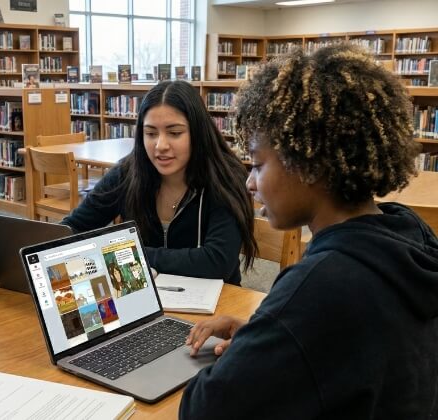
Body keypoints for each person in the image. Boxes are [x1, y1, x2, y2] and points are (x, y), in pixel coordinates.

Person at [181, 44, 438, 419]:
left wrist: (258, 346)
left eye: (256, 164)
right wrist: (265, 335)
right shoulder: (408, 234)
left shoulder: (321, 284)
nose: (250, 184)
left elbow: (203, 410)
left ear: (310, 164)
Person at [61, 80, 257, 284]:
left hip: (218, 303)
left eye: (174, 133)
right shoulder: (128, 172)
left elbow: (217, 262)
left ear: (198, 133)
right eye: (151, 133)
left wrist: (127, 254)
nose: (160, 145)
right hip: (144, 300)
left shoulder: (226, 176)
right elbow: (73, 228)